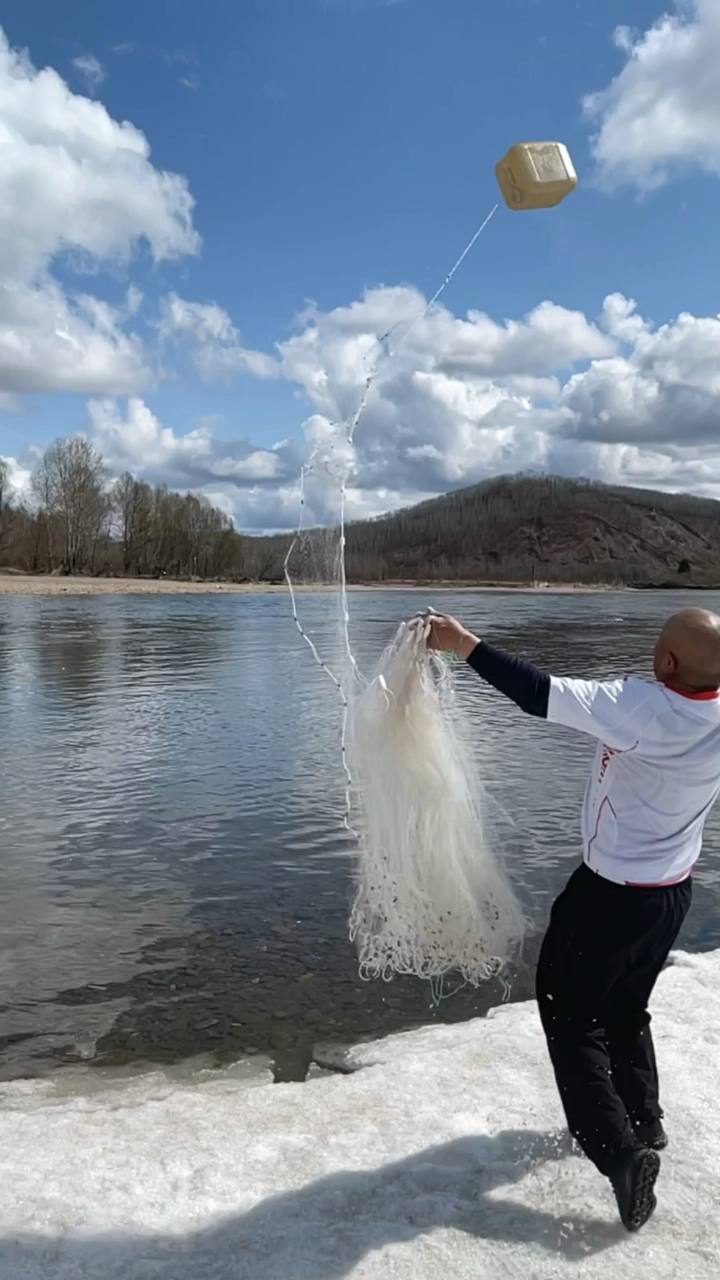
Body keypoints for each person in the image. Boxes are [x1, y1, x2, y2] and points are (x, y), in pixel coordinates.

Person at [427, 607, 720, 1233]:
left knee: (569, 1014)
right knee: (626, 1007)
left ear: (666, 663)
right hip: (672, 896)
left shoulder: (639, 707)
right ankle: (645, 1120)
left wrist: (461, 644)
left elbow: (538, 693)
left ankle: (621, 1155)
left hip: (608, 897)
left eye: (659, 647)